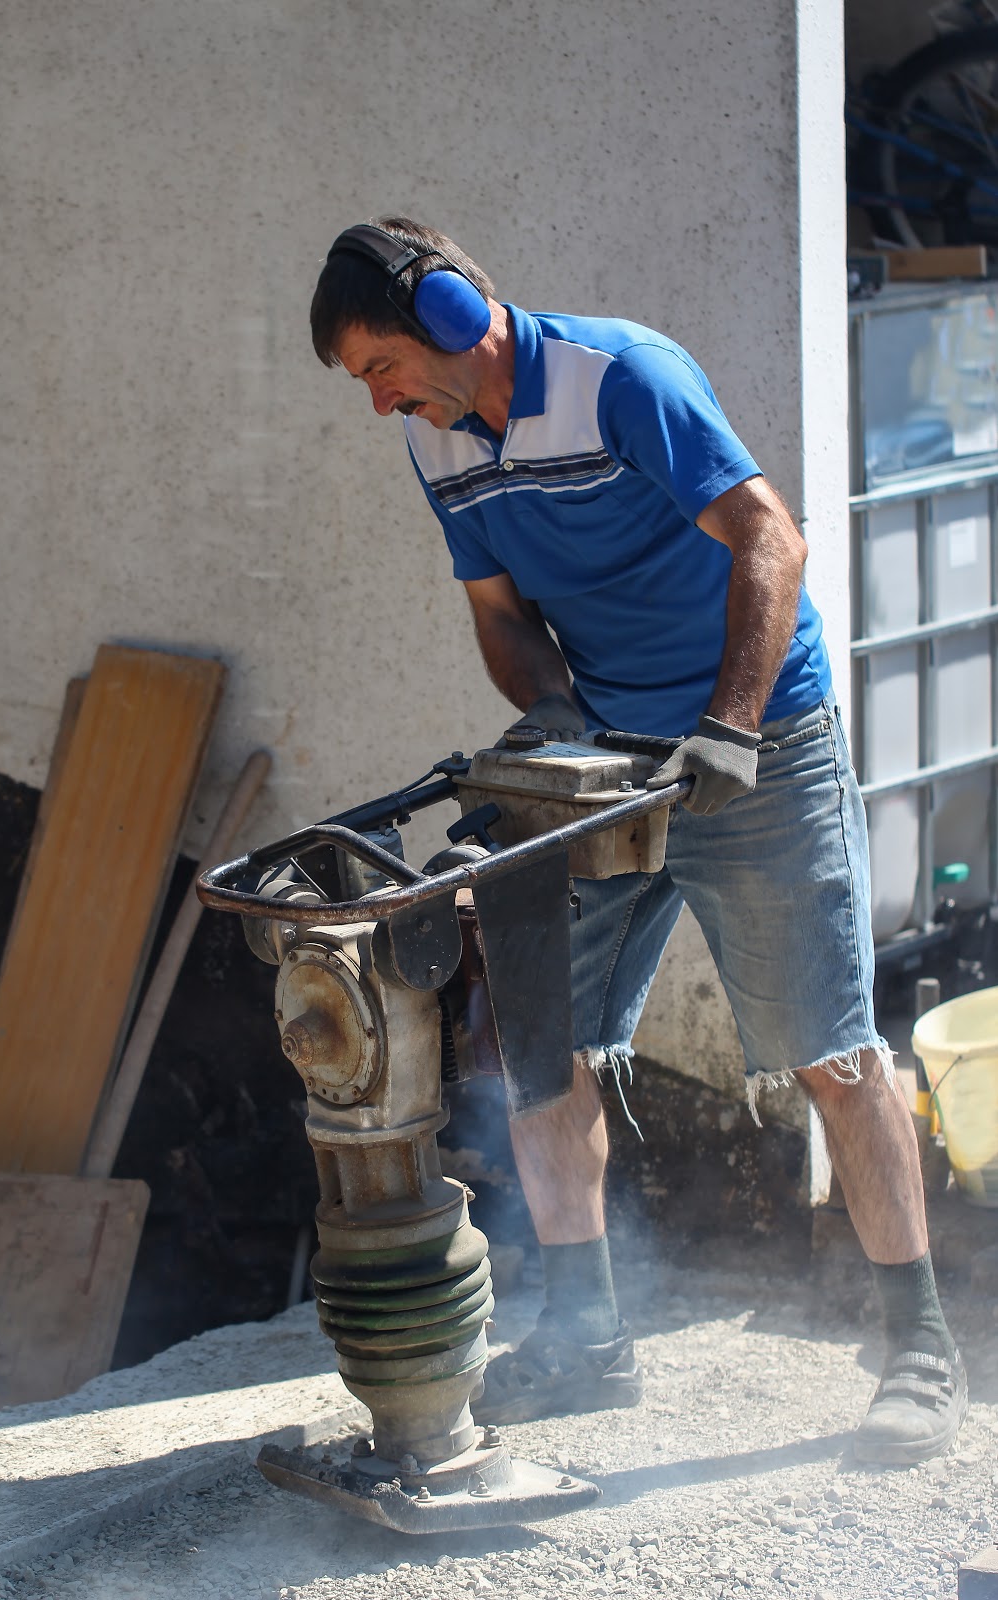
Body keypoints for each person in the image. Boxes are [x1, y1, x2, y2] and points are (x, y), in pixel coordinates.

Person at [309, 216, 968, 1466]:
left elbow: (770, 540)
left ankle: (918, 1349)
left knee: (828, 1047)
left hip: (753, 741)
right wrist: (557, 726)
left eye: (377, 365)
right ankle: (588, 1339)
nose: (377, 400)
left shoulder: (622, 379)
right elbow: (499, 617)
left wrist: (725, 728)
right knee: (540, 1051)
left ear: (450, 314)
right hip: (601, 769)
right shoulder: (432, 439)